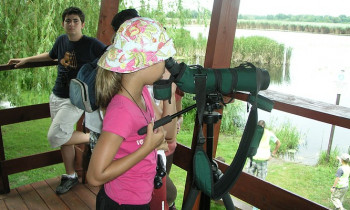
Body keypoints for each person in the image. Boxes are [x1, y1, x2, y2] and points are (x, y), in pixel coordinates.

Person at [7, 7, 106, 194]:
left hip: (74, 100)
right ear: (63, 24)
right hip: (56, 96)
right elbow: (51, 55)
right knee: (64, 139)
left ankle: (93, 137)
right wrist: (27, 59)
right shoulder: (62, 40)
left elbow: (108, 57)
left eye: (75, 20)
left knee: (56, 135)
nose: (71, 24)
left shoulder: (91, 44)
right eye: (68, 20)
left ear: (82, 24)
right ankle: (70, 176)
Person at [86, 16, 177, 210]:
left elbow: (168, 133)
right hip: (121, 203)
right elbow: (94, 176)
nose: (165, 65)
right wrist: (146, 148)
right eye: (162, 59)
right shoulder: (122, 111)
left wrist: (169, 92)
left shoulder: (142, 93)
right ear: (143, 64)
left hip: (139, 197)